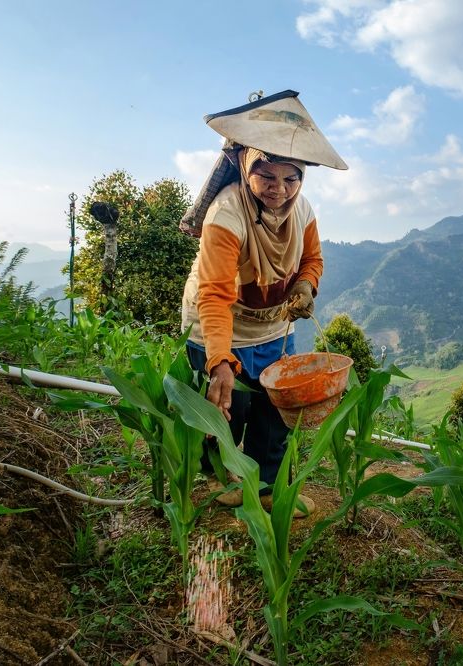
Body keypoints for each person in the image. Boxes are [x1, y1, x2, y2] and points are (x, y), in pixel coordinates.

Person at [180, 91, 348, 516]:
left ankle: (269, 488)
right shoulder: (226, 215)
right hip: (219, 326)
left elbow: (312, 260)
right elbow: (215, 293)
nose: (279, 190)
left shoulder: (302, 211)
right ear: (244, 168)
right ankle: (225, 482)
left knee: (276, 410)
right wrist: (219, 360)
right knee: (227, 410)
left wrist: (306, 286)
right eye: (266, 177)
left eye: (290, 178)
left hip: (274, 327)